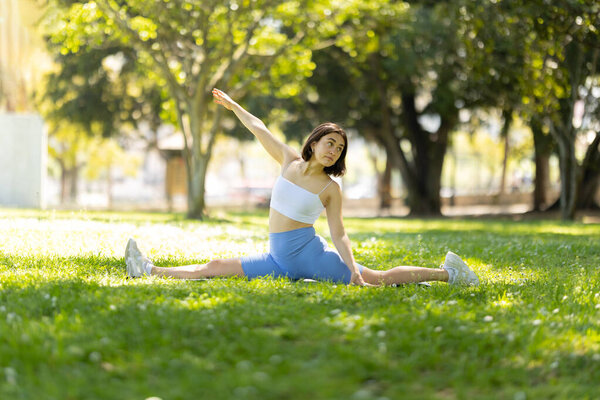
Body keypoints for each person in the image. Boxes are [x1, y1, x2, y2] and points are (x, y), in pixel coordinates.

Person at [124, 88, 479, 287]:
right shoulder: (289, 161)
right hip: (277, 260)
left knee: (378, 279)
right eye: (329, 142)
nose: (333, 150)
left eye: (339, 148)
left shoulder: (330, 188)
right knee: (215, 265)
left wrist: (353, 269)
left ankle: (448, 274)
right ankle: (149, 270)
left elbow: (340, 234)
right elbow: (259, 128)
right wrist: (233, 106)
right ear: (315, 141)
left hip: (309, 256)